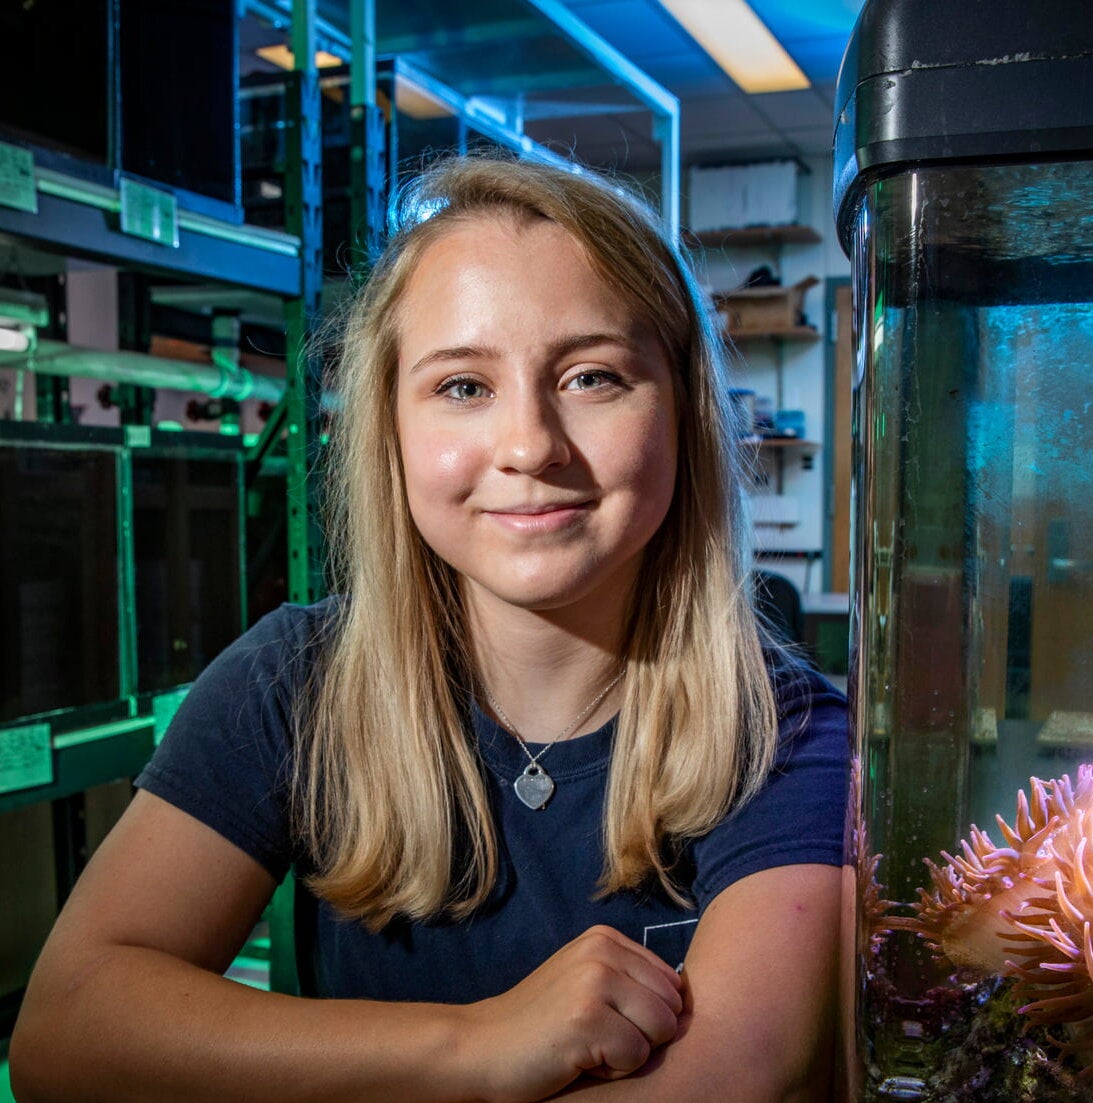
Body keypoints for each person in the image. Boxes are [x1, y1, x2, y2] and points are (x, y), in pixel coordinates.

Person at [10, 157, 850, 1102]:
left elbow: (738, 1074)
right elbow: (66, 1030)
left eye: (591, 376)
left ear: (684, 413)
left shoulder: (789, 732)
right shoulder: (295, 679)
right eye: (462, 387)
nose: (530, 444)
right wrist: (475, 1045)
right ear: (392, 429)